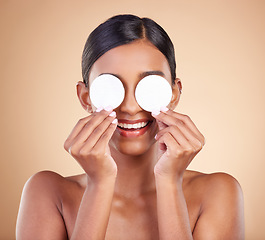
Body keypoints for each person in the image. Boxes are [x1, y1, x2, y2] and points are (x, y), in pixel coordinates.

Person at [16, 14, 244, 239]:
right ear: (86, 97)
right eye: (110, 87)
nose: (131, 107)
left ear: (174, 94)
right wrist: (99, 183)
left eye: (149, 86)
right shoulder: (48, 194)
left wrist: (170, 183)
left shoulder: (218, 193)